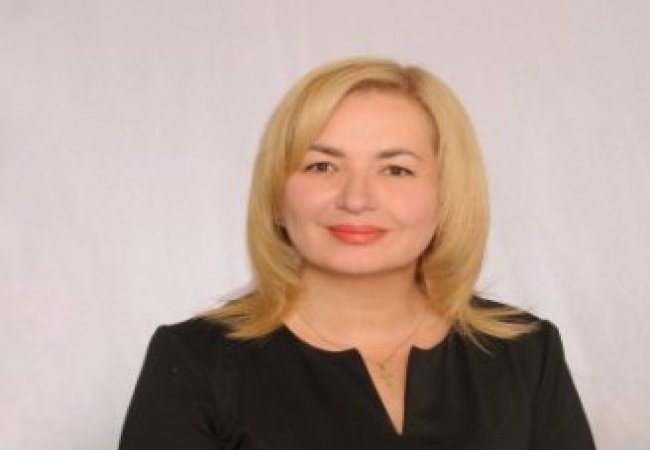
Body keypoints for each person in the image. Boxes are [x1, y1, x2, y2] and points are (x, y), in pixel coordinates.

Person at [118, 57, 596, 449]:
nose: (356, 199)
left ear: (448, 195)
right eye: (322, 166)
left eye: (396, 170)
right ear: (277, 195)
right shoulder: (196, 361)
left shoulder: (526, 353)